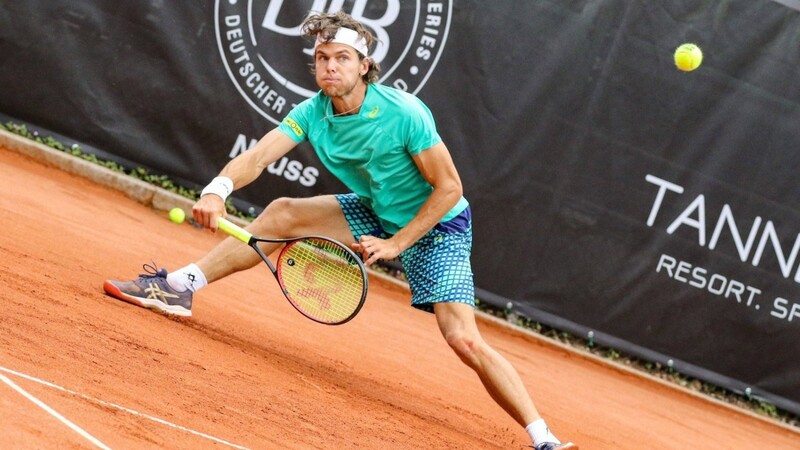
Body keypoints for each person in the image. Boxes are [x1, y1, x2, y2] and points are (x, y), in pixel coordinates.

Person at [103, 10, 577, 450]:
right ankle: (179, 288)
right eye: (322, 59)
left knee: (463, 340)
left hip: (439, 225)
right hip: (377, 208)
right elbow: (259, 155)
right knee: (284, 211)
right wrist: (216, 190)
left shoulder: (405, 113)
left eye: (342, 59)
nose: (330, 67)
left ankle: (543, 437)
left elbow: (450, 188)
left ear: (364, 65)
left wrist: (397, 242)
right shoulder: (313, 113)